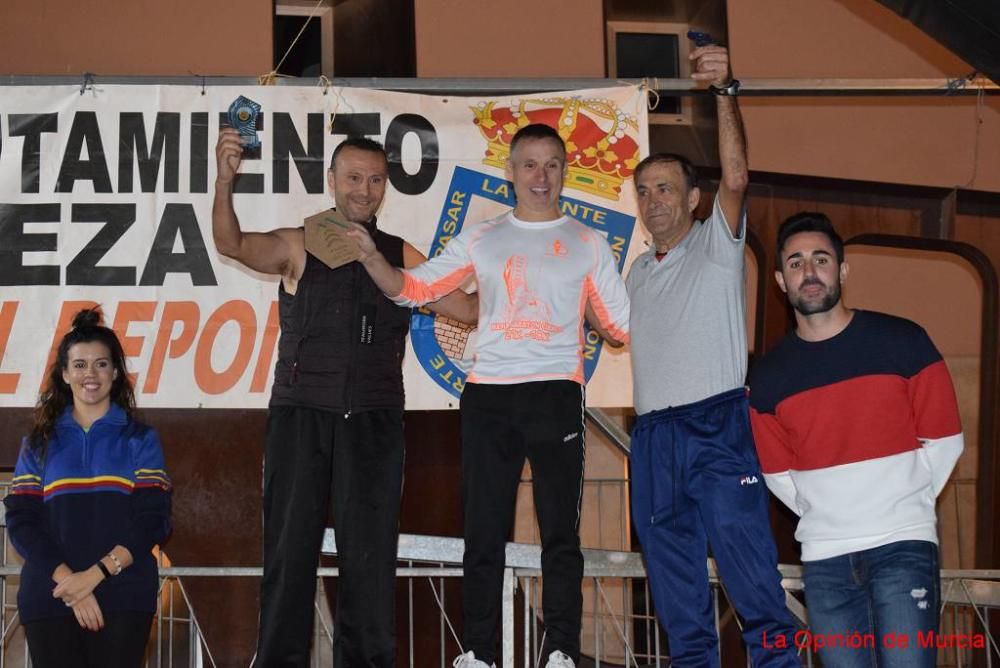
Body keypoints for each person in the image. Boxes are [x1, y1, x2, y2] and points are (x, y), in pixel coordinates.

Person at [346, 123, 630, 668]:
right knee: (482, 529)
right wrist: (370, 258)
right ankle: (479, 650)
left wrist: (619, 298)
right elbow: (420, 287)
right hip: (489, 396)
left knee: (559, 535)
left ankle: (562, 650)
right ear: (511, 173)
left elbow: (619, 327)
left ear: (564, 172)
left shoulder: (588, 242)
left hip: (556, 395)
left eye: (551, 165)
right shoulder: (484, 237)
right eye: (529, 165)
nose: (540, 177)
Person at [213, 129, 477, 667]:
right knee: (289, 554)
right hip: (300, 415)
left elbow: (467, 311)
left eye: (376, 179)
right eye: (354, 177)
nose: (365, 189)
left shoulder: (401, 254)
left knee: (370, 556)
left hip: (375, 421)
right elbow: (231, 244)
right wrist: (224, 180)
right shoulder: (297, 243)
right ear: (331, 181)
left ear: (386, 188)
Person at [625, 44, 800, 666]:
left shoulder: (717, 245)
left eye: (666, 189)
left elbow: (738, 176)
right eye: (644, 191)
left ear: (693, 198)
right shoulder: (636, 273)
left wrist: (724, 93)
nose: (654, 201)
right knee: (676, 596)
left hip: (717, 426)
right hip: (652, 440)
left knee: (752, 576)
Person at [748, 213, 964, 667]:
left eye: (821, 259)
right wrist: (829, 513)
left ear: (842, 270)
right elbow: (777, 472)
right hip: (826, 559)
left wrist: (904, 503)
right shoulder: (767, 379)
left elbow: (945, 440)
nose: (809, 272)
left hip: (904, 546)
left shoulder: (904, 342)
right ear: (780, 281)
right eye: (796, 263)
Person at [4, 308, 172, 668]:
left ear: (115, 372)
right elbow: (21, 522)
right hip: (52, 596)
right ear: (64, 374)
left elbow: (153, 521)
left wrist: (95, 575)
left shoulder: (141, 440)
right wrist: (72, 583)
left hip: (123, 596)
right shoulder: (37, 443)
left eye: (100, 364)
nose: (90, 375)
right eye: (79, 365)